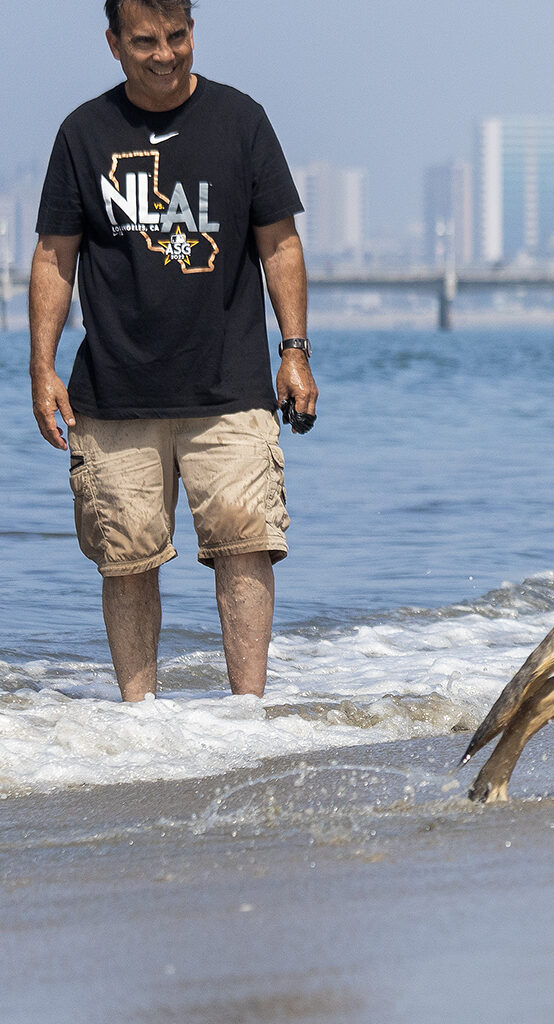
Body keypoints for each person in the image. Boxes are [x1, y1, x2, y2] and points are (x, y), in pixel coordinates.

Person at [28, 0, 318, 702]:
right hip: (114, 392)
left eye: (177, 36)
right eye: (145, 42)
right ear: (113, 43)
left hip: (231, 388)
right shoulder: (83, 133)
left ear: (193, 31)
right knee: (127, 559)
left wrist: (295, 351)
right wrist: (41, 367)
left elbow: (279, 244)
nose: (164, 54)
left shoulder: (241, 121)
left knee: (246, 545)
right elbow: (53, 255)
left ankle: (248, 717)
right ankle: (140, 727)